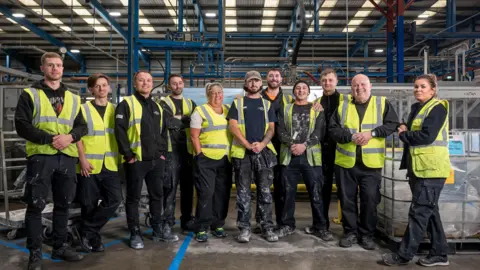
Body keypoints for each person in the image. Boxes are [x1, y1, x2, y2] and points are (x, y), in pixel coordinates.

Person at [15, 52, 87, 270]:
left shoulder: (74, 98)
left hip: (66, 157)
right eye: (51, 65)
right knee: (36, 206)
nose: (55, 69)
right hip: (41, 157)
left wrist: (70, 137)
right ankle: (35, 254)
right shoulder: (30, 94)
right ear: (42, 68)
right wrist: (49, 139)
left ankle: (60, 246)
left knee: (63, 205)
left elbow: (82, 127)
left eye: (59, 65)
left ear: (63, 69)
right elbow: (22, 125)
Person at [382, 74, 450, 267]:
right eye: (416, 87)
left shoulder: (437, 108)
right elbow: (411, 130)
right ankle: (440, 253)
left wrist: (404, 134)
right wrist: (405, 127)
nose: (418, 90)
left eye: (423, 87)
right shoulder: (417, 108)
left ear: (433, 90)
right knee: (430, 212)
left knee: (419, 213)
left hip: (432, 170)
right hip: (419, 168)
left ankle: (403, 255)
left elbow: (426, 136)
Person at [329, 74, 399, 250]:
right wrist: (351, 136)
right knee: (347, 200)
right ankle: (350, 232)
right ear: (351, 88)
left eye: (362, 84)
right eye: (355, 85)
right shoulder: (342, 106)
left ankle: (367, 235)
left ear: (370, 86)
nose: (359, 88)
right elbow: (333, 130)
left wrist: (372, 133)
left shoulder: (382, 103)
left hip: (371, 164)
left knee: (370, 199)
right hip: (346, 163)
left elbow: (392, 124)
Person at [115, 71, 178, 250]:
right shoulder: (126, 104)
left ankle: (157, 229)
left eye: (149, 81)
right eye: (142, 80)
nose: (145, 83)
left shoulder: (157, 107)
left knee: (157, 196)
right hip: (136, 160)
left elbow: (162, 132)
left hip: (156, 160)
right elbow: (120, 131)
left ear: (153, 84)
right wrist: (128, 155)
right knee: (133, 198)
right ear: (135, 83)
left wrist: (162, 154)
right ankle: (135, 233)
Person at [275, 81, 334, 241]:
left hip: (311, 158)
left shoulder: (316, 109)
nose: (301, 90)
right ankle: (287, 225)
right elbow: (280, 130)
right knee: (287, 193)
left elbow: (319, 131)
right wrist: (293, 145)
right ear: (293, 92)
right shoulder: (285, 108)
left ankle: (320, 227)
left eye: (304, 88)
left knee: (317, 193)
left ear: (308, 92)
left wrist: (304, 145)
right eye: (298, 88)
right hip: (289, 157)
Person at [228, 70, 278, 243]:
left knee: (265, 192)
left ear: (260, 84)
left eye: (257, 81)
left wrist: (262, 144)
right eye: (250, 81)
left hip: (263, 153)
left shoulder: (267, 105)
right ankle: (244, 228)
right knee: (243, 193)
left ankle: (266, 226)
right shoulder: (238, 103)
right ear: (246, 84)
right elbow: (233, 127)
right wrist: (247, 144)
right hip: (243, 154)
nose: (254, 84)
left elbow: (271, 128)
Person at [76, 74, 122, 253]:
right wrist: (82, 159)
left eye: (105, 85)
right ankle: (94, 239)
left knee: (115, 199)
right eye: (97, 86)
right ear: (91, 89)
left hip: (110, 163)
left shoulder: (116, 110)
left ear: (109, 88)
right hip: (89, 164)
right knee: (89, 203)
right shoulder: (83, 109)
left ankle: (86, 231)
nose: (102, 89)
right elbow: (77, 136)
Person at [190, 82, 232, 242]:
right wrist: (200, 155)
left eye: (219, 92)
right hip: (206, 159)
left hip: (225, 159)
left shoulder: (228, 110)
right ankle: (201, 227)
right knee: (206, 193)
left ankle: (218, 224)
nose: (217, 96)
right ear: (208, 95)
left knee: (222, 193)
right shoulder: (200, 111)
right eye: (213, 93)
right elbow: (194, 136)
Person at [308, 68, 343, 233]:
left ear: (336, 81)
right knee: (322, 190)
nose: (327, 83)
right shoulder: (316, 104)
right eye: (324, 81)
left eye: (330, 80)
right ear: (320, 83)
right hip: (322, 152)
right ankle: (321, 226)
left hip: (343, 152)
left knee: (345, 192)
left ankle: (351, 229)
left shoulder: (345, 100)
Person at [160, 74, 196, 232]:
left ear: (183, 84)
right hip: (171, 150)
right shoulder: (163, 103)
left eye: (180, 83)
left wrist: (178, 119)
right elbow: (168, 122)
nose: (177, 86)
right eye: (174, 84)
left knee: (188, 188)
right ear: (169, 86)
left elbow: (195, 122)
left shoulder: (191, 103)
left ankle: (186, 220)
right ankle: (167, 222)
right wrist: (185, 119)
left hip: (188, 151)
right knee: (170, 188)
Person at [259, 68, 293, 229]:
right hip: (262, 147)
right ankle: (262, 222)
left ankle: (282, 223)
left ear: (281, 79)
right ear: (266, 79)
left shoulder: (288, 99)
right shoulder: (257, 97)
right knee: (262, 187)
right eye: (270, 75)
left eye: (276, 76)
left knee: (282, 187)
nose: (274, 78)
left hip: (283, 148)